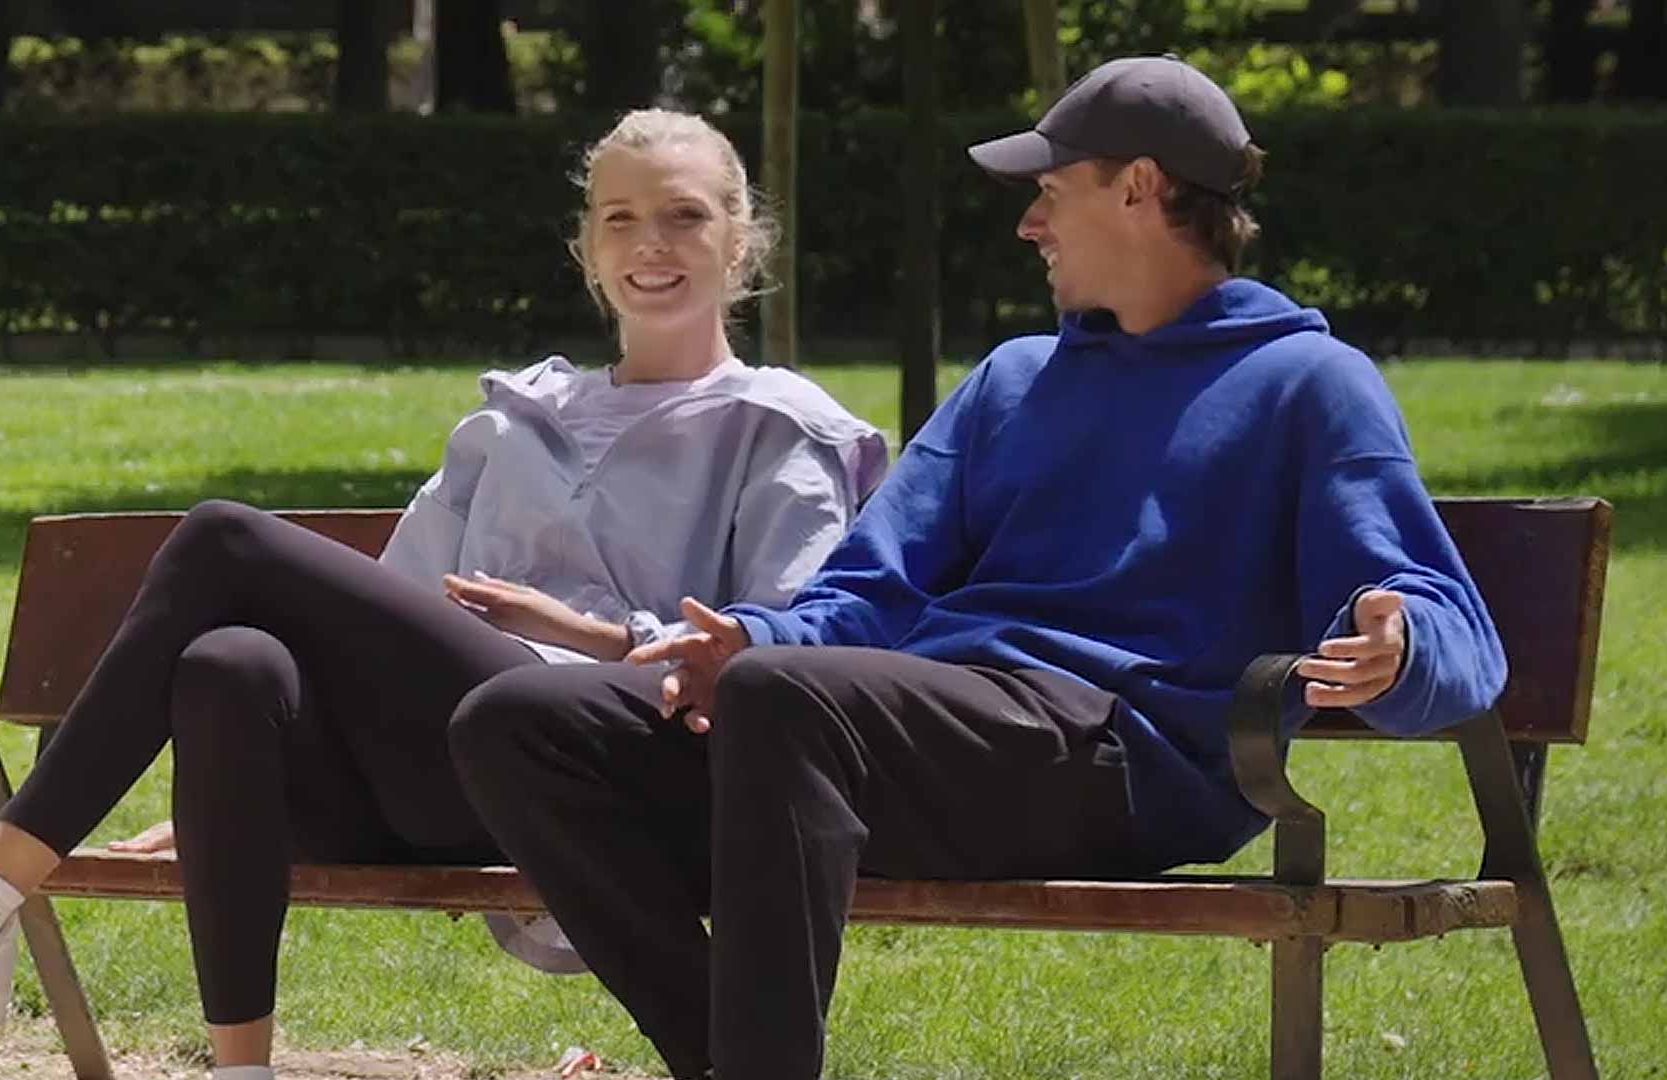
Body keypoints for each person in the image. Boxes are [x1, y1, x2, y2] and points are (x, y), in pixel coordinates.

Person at [443, 56, 1509, 1080]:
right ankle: (730, 1060)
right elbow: (871, 588)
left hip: (1125, 758)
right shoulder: (1014, 380)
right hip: (940, 741)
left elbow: (1454, 625)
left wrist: (1401, 642)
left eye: (1051, 193)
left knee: (781, 702)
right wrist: (755, 638)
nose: (1027, 224)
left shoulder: (1307, 383)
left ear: (1140, 189)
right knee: (519, 725)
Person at [0, 108, 887, 1080]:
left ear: (740, 239)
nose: (649, 243)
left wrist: (588, 632)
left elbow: (782, 658)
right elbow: (380, 619)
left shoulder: (782, 432)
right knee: (228, 665)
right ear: (586, 247)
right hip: (426, 773)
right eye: (619, 218)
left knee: (225, 537)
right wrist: (237, 776)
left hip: (597, 779)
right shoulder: (511, 422)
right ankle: (241, 1072)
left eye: (684, 216)